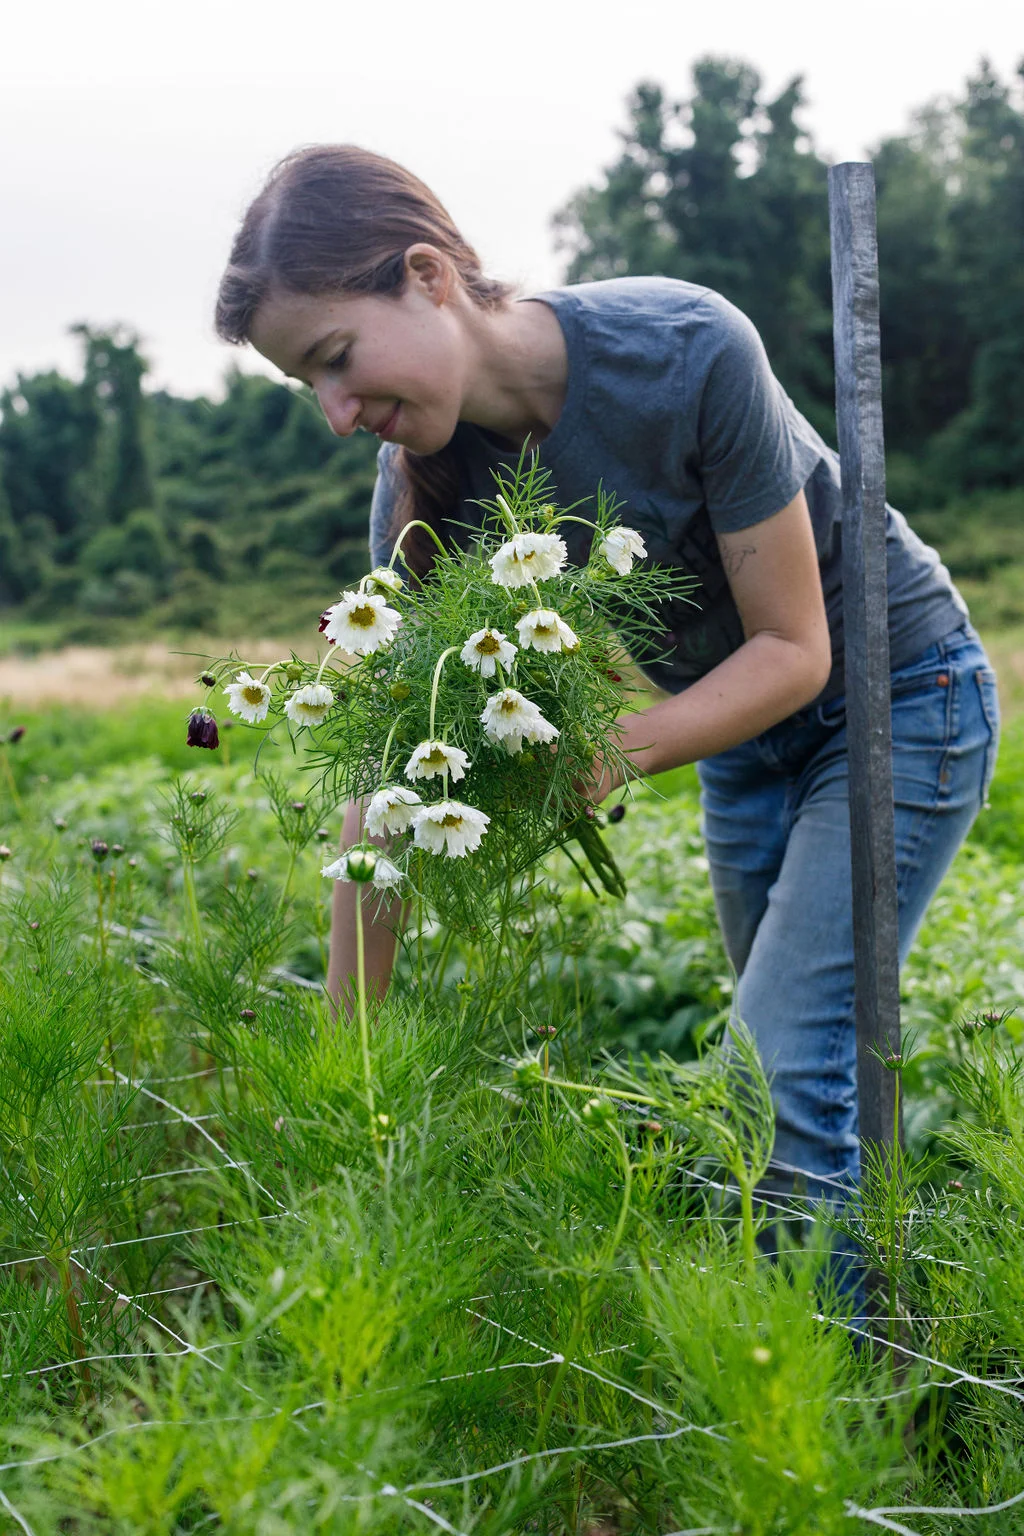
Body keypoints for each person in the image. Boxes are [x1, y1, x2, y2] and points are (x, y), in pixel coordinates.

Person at [215, 143, 1000, 1214]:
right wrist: (349, 1060)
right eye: (308, 382)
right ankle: (878, 1327)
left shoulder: (680, 350)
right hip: (736, 737)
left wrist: (593, 761)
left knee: (768, 1085)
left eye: (338, 356)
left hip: (898, 698)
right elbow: (380, 782)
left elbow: (794, 650)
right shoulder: (420, 496)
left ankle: (837, 1368)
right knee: (807, 1073)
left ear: (429, 276)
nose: (336, 411)